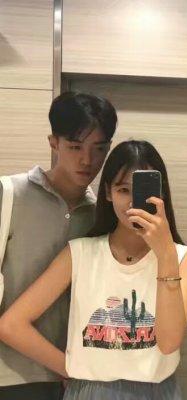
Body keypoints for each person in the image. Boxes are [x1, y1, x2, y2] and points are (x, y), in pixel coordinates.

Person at [0, 140, 187, 399]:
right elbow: (11, 325)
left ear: (161, 195)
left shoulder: (182, 258)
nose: (133, 202)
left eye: (142, 191)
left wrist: (165, 255)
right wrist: (72, 368)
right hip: (89, 391)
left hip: (157, 391)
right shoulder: (80, 253)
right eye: (123, 189)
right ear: (107, 192)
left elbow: (170, 342)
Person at [0, 92, 117, 399]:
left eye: (99, 149)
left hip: (79, 380)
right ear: (53, 143)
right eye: (75, 147)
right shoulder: (9, 194)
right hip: (11, 376)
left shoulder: (102, 216)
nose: (87, 160)